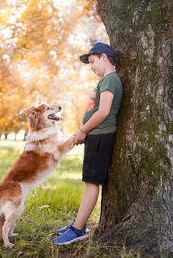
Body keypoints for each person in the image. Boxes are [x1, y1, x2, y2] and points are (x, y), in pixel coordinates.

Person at [53, 41, 123, 245]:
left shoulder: (110, 80)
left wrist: (83, 130)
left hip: (101, 135)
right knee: (89, 183)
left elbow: (103, 111)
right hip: (97, 136)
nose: (91, 67)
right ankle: (78, 222)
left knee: (92, 184)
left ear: (104, 57)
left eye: (93, 61)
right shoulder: (106, 80)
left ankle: (78, 229)